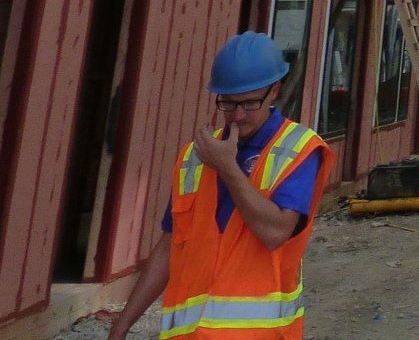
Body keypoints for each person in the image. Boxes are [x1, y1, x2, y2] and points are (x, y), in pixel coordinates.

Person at [108, 32, 334, 339]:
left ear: (275, 91)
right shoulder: (196, 155)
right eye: (228, 104)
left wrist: (228, 169)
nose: (238, 115)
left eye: (250, 103)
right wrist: (121, 326)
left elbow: (275, 232)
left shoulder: (297, 151)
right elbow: (170, 246)